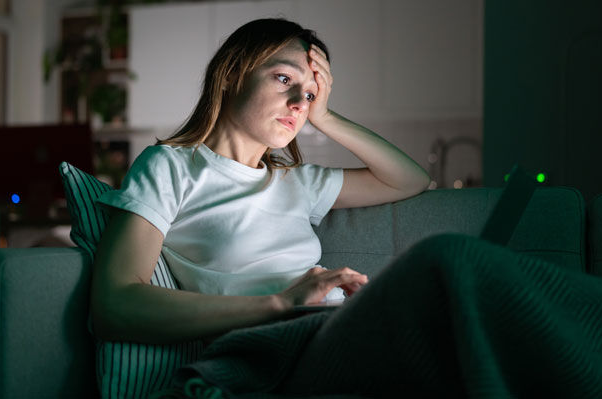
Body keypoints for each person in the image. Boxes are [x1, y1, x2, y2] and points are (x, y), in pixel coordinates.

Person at [91, 18, 429, 345]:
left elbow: (411, 180)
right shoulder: (170, 167)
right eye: (284, 78)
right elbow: (115, 306)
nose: (299, 104)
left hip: (339, 329)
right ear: (231, 74)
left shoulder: (297, 181)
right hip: (273, 346)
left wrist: (325, 118)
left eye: (310, 96)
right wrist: (282, 303)